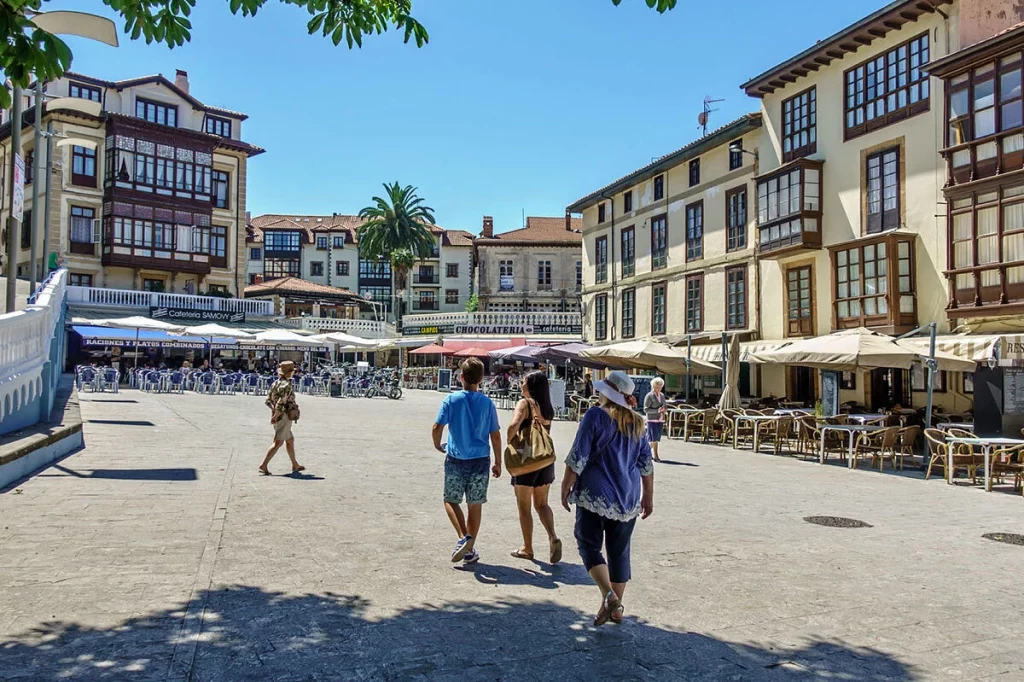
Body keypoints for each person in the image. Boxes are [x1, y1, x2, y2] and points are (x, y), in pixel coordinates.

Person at [561, 370, 654, 627]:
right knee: (619, 552)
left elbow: (578, 455)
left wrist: (565, 486)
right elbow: (646, 466)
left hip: (596, 493)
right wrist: (648, 498)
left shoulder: (595, 416)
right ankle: (616, 610)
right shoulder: (638, 422)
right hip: (628, 497)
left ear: (607, 393)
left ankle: (608, 594)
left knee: (588, 544)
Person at [432, 357, 502, 566]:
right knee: (475, 504)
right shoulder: (488, 403)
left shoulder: (451, 400)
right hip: (481, 459)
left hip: (456, 458)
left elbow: (437, 427)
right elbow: (496, 435)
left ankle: (465, 538)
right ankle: (469, 548)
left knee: (450, 500)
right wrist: (499, 462)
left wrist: (437, 445)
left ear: (461, 377)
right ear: (480, 379)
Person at [507, 370, 562, 564]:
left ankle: (527, 548)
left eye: (523, 382)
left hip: (526, 461)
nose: (521, 385)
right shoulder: (547, 407)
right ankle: (552, 535)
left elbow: (513, 426)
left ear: (530, 386)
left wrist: (510, 438)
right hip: (545, 461)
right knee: (542, 504)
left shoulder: (525, 404)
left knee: (524, 506)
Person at [259, 361, 305, 475]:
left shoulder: (275, 383)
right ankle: (264, 464)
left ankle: (295, 464)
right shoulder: (286, 385)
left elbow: (268, 400)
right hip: (284, 415)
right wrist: (277, 414)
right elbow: (281, 401)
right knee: (278, 442)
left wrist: (273, 411)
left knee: (290, 440)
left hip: (278, 414)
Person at [644, 377, 668, 463]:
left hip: (660, 419)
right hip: (652, 420)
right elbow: (646, 409)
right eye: (657, 386)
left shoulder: (662, 395)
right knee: (654, 439)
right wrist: (657, 410)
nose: (659, 388)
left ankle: (643, 452)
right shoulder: (649, 396)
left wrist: (664, 409)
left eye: (661, 386)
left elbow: (665, 405)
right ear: (653, 386)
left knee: (655, 439)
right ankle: (656, 456)